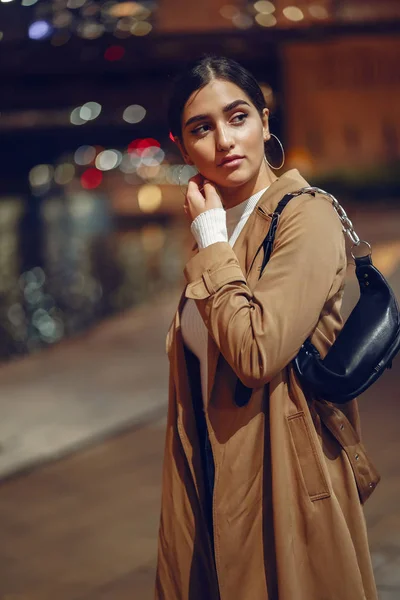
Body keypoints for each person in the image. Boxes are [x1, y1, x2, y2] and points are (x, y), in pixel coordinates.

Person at [155, 55, 380, 600]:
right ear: (181, 146)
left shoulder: (304, 216)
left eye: (238, 117)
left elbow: (257, 353)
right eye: (201, 128)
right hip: (208, 477)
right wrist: (213, 236)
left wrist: (209, 239)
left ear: (264, 120)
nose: (224, 141)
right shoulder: (222, 228)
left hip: (284, 484)